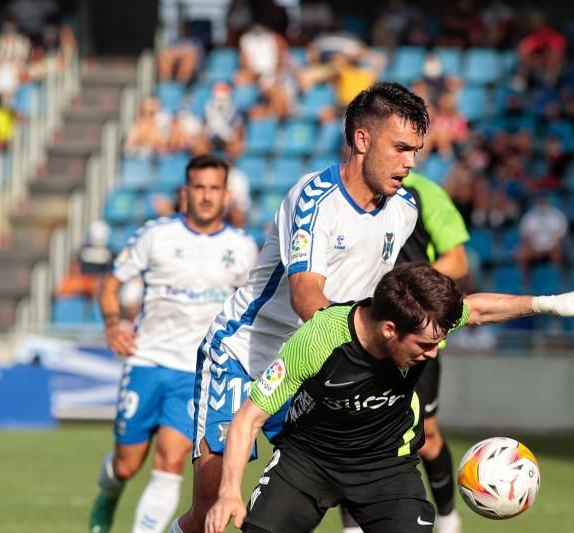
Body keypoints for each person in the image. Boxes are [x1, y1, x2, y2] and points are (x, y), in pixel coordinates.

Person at [172, 81, 429, 533]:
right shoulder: (314, 199)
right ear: (362, 140)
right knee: (211, 510)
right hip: (245, 355)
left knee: (348, 472)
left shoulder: (404, 209)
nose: (411, 163)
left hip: (312, 364)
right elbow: (306, 297)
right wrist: (360, 350)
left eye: (416, 151)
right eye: (402, 148)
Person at [205, 262, 574, 533]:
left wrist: (556, 303)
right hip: (307, 460)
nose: (433, 354)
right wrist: (228, 492)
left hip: (386, 466)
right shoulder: (318, 341)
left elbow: (476, 310)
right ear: (389, 330)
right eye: (424, 345)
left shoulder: (425, 319)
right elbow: (248, 418)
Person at [88, 154, 258, 533]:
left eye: (214, 188)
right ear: (185, 192)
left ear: (226, 194)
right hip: (147, 360)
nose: (207, 196)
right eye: (199, 187)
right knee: (126, 464)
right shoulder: (156, 236)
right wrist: (114, 325)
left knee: (170, 461)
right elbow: (111, 284)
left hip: (197, 372)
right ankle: (109, 493)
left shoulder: (243, 248)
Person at [340, 171, 469, 533]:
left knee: (424, 437)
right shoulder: (343, 195)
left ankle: (447, 518)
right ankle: (353, 527)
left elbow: (458, 261)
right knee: (351, 432)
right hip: (363, 335)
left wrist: (407, 292)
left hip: (414, 339)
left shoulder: (424, 193)